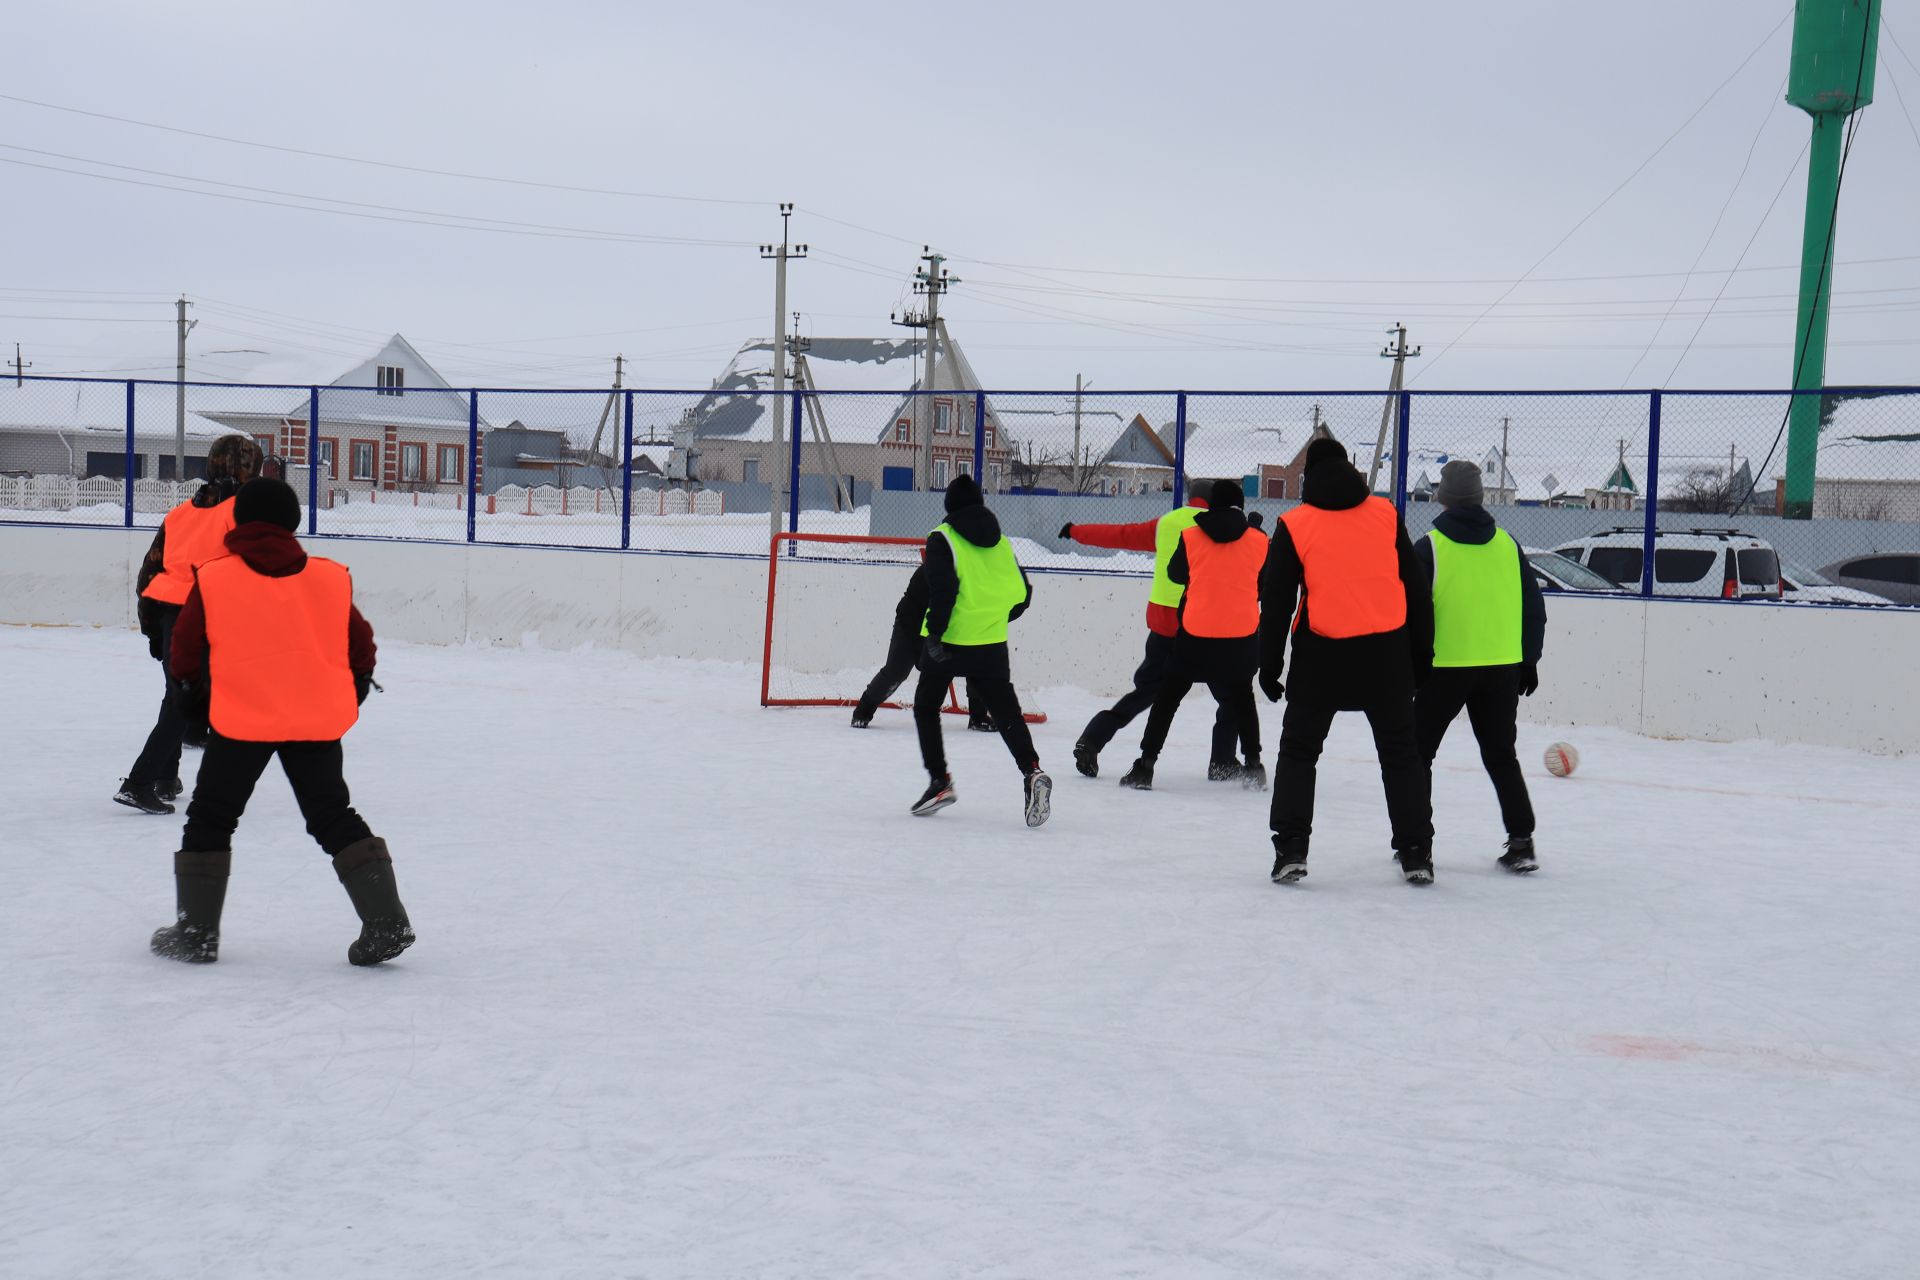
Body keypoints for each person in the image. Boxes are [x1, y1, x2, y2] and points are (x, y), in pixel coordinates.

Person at [150, 477, 414, 967]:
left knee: (211, 817)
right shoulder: (327, 577)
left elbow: (184, 652)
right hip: (314, 720)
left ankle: (196, 932)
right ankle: (386, 921)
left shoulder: (215, 576)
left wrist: (192, 704)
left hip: (240, 718)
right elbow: (361, 645)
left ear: (238, 522)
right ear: (292, 523)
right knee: (334, 816)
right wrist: (354, 686)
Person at [1259, 437, 1435, 885]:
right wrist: (1422, 656)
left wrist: (1269, 664)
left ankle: (1291, 850)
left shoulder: (1294, 524)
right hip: (1388, 654)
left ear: (1308, 477)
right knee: (1401, 755)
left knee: (1299, 753)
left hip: (1322, 656)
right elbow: (1415, 589)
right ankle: (1416, 851)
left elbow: (1276, 600)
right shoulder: (1386, 515)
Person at [115, 435, 261, 815]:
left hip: (167, 612)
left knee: (176, 695)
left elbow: (150, 570)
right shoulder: (245, 513)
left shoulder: (180, 513)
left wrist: (152, 628)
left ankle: (166, 777)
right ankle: (139, 782)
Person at [1413, 460, 1546, 874]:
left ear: (1443, 497)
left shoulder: (1429, 547)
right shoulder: (1508, 545)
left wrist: (1411, 666)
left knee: (1418, 756)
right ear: (1481, 496)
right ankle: (1522, 841)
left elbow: (1413, 614)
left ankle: (1417, 846)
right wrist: (1529, 661)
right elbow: (1533, 609)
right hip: (1501, 668)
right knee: (1501, 755)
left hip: (1445, 668)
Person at [1058, 478, 1240, 779]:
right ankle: (1222, 762)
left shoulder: (1167, 523)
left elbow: (1120, 535)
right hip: (1202, 628)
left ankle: (1092, 738)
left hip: (1163, 627)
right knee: (1231, 697)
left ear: (1190, 498)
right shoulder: (1220, 528)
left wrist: (1076, 532)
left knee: (1145, 693)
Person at [908, 474, 1051, 827]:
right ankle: (1032, 771)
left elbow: (942, 590)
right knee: (1006, 713)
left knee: (927, 706)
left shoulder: (943, 539)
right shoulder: (1001, 543)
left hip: (951, 640)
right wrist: (995, 617)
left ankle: (940, 782)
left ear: (949, 507)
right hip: (990, 642)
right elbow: (1023, 594)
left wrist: (936, 634)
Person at [1119, 479, 1268, 791]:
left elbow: (1175, 574)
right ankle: (1253, 765)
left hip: (1195, 633)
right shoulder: (1257, 541)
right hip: (1240, 635)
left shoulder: (1191, 536)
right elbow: (1263, 586)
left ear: (1210, 504)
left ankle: (1145, 766)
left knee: (1168, 699)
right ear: (1240, 505)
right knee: (1242, 697)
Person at [850, 565, 991, 732]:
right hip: (911, 625)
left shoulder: (978, 573)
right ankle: (863, 711)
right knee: (896, 671)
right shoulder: (936, 569)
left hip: (948, 627)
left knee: (976, 661)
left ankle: (978, 717)